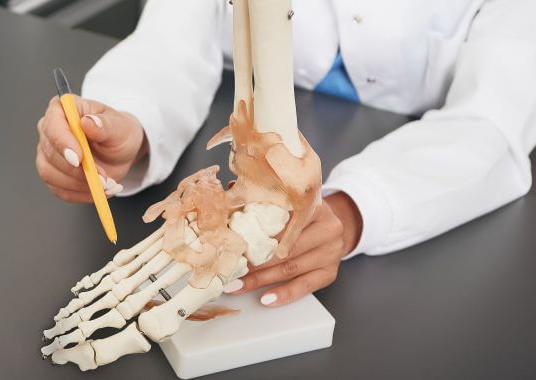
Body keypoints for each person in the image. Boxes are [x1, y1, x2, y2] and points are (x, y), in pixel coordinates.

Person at [36, 0, 536, 307]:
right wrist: (129, 126)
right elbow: (173, 35)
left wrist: (355, 207)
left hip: (425, 201)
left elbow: (492, 117)